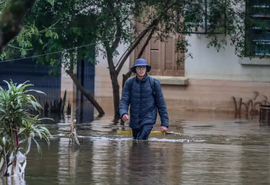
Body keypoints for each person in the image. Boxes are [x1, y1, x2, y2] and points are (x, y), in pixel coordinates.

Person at [119, 58, 169, 140]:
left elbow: (161, 104)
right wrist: (124, 113)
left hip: (149, 118)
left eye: (143, 67)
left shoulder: (154, 83)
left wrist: (164, 124)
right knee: (136, 141)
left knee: (141, 139)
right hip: (134, 119)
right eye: (139, 67)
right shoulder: (129, 83)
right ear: (135, 69)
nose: (141, 70)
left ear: (146, 69)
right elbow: (124, 100)